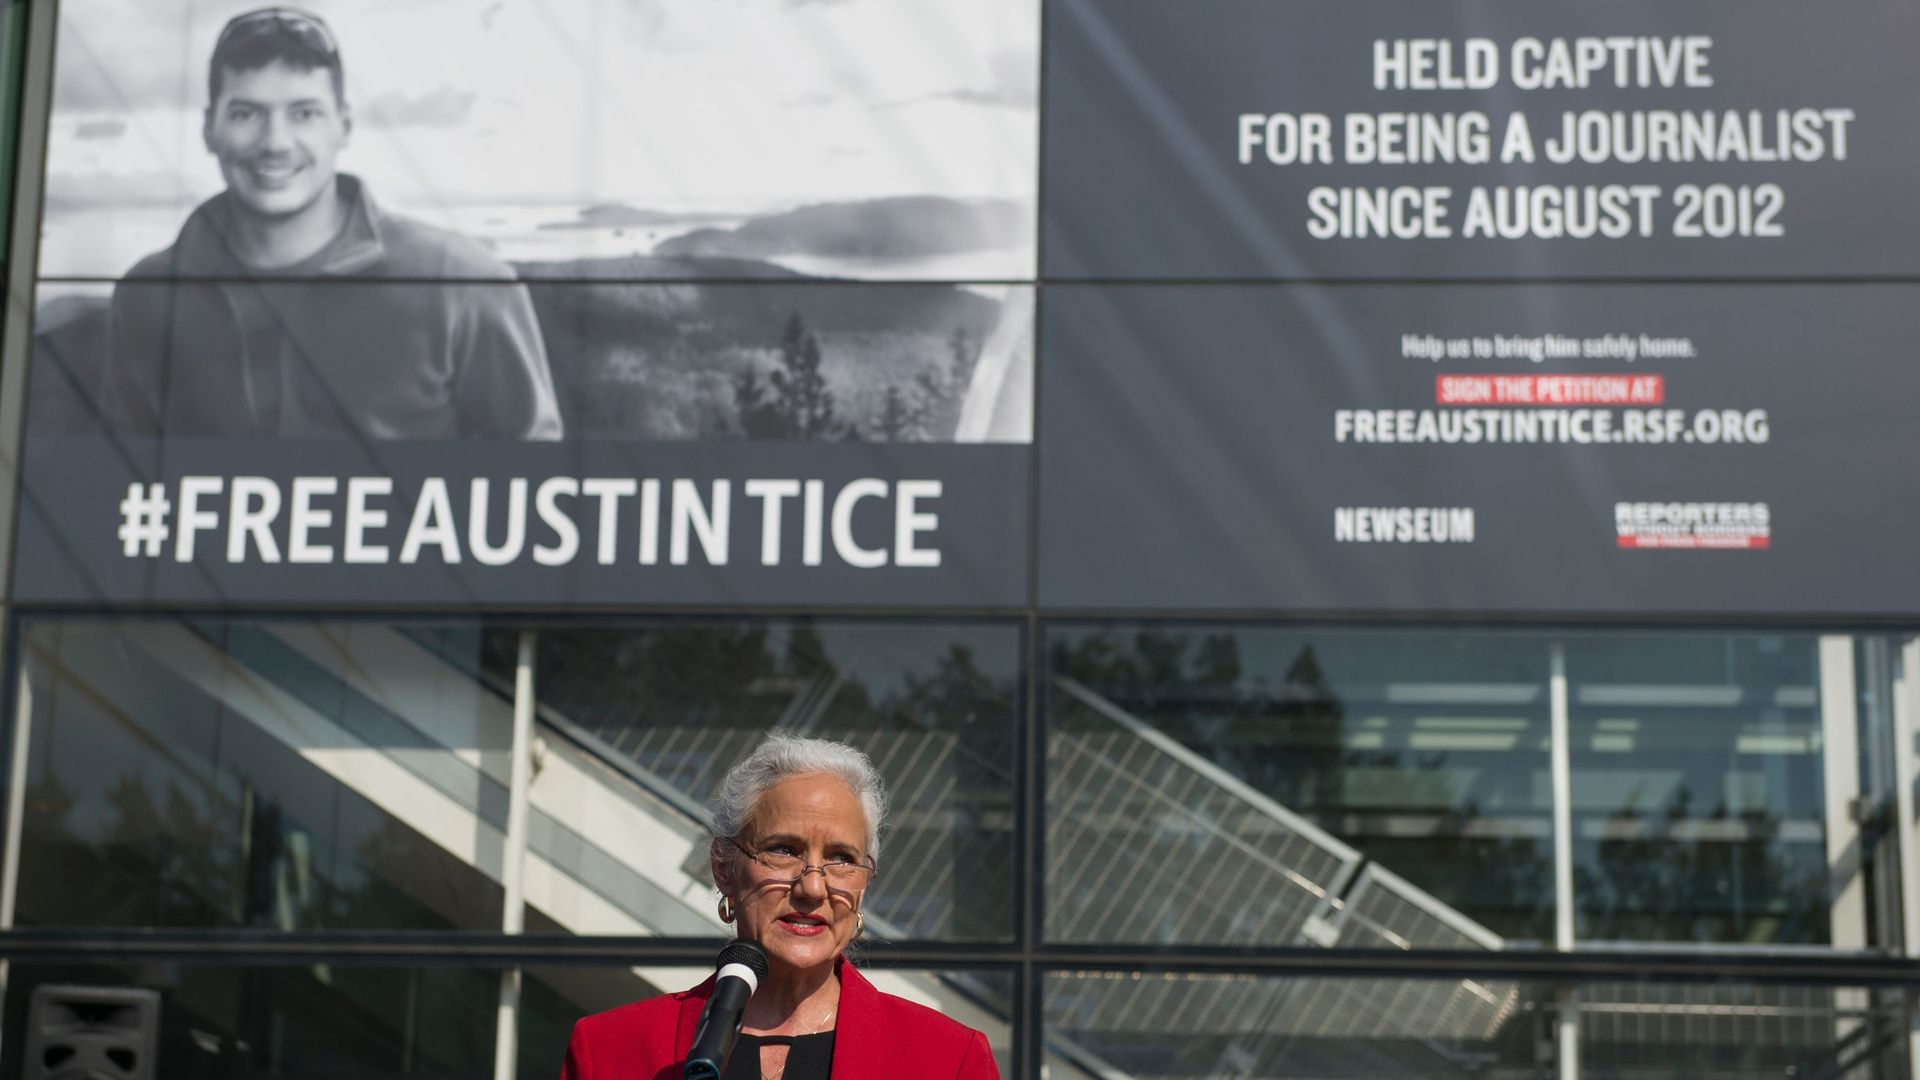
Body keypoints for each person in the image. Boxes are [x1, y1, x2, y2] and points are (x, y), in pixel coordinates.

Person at [103, 6, 563, 439]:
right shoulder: (145, 294)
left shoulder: (464, 283)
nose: (275, 142)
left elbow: (531, 488)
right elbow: (122, 487)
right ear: (209, 128)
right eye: (245, 114)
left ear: (343, 126)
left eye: (305, 113)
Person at [562, 733, 999, 1079]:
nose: (812, 887)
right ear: (724, 869)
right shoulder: (608, 1050)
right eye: (784, 850)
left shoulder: (948, 1060)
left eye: (842, 858)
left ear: (866, 882)